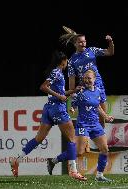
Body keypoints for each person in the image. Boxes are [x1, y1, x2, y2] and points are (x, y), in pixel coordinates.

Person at [9, 50, 87, 181]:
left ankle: (16, 159)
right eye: (67, 61)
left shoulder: (57, 73)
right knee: (72, 139)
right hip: (57, 109)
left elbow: (60, 92)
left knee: (38, 139)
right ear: (63, 61)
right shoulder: (57, 72)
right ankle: (73, 170)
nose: (67, 63)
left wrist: (73, 90)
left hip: (49, 109)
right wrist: (60, 96)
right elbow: (43, 87)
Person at [47, 69, 114, 182]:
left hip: (95, 124)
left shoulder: (98, 91)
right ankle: (53, 161)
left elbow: (97, 106)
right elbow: (73, 103)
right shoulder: (80, 92)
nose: (87, 80)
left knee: (105, 149)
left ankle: (99, 175)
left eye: (89, 78)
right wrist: (72, 108)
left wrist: (106, 116)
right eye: (85, 78)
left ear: (94, 79)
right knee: (79, 152)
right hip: (83, 125)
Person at [61, 27, 114, 151]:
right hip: (85, 90)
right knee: (87, 116)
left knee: (102, 116)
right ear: (75, 44)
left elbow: (110, 52)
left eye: (84, 41)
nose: (83, 43)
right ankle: (86, 143)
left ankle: (99, 140)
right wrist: (73, 95)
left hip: (99, 86)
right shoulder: (72, 60)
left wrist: (110, 42)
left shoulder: (92, 50)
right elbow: (72, 82)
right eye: (80, 42)